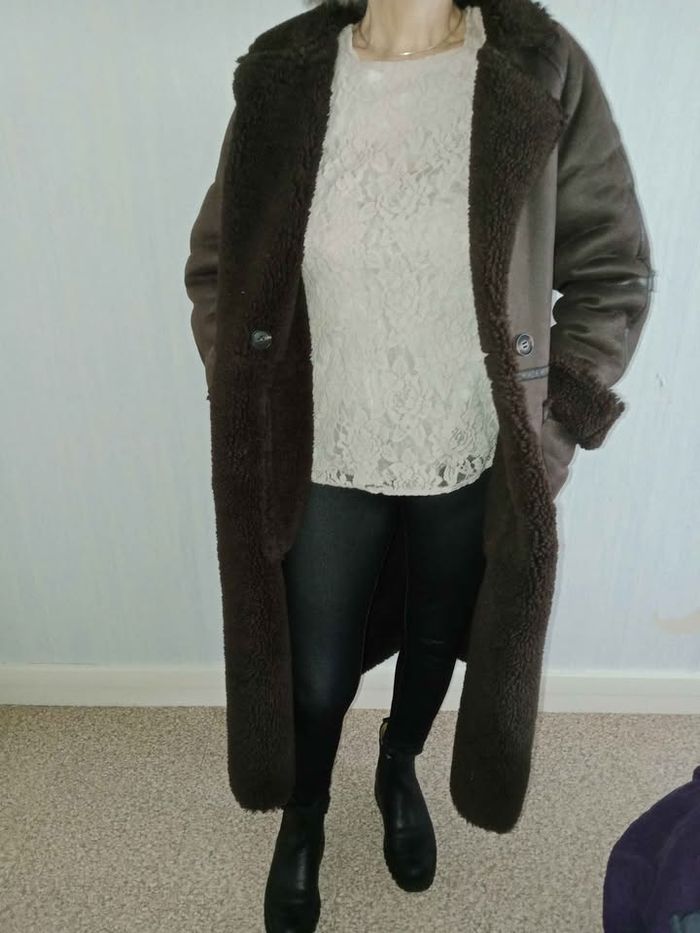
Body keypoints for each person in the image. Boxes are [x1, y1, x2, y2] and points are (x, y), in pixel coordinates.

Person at [184, 1, 654, 930]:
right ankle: (307, 811)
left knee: (437, 641)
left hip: (472, 447)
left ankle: (398, 766)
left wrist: (551, 426)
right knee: (315, 673)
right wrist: (249, 388)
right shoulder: (285, 71)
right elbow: (218, 266)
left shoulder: (535, 66)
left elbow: (612, 272)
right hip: (326, 443)